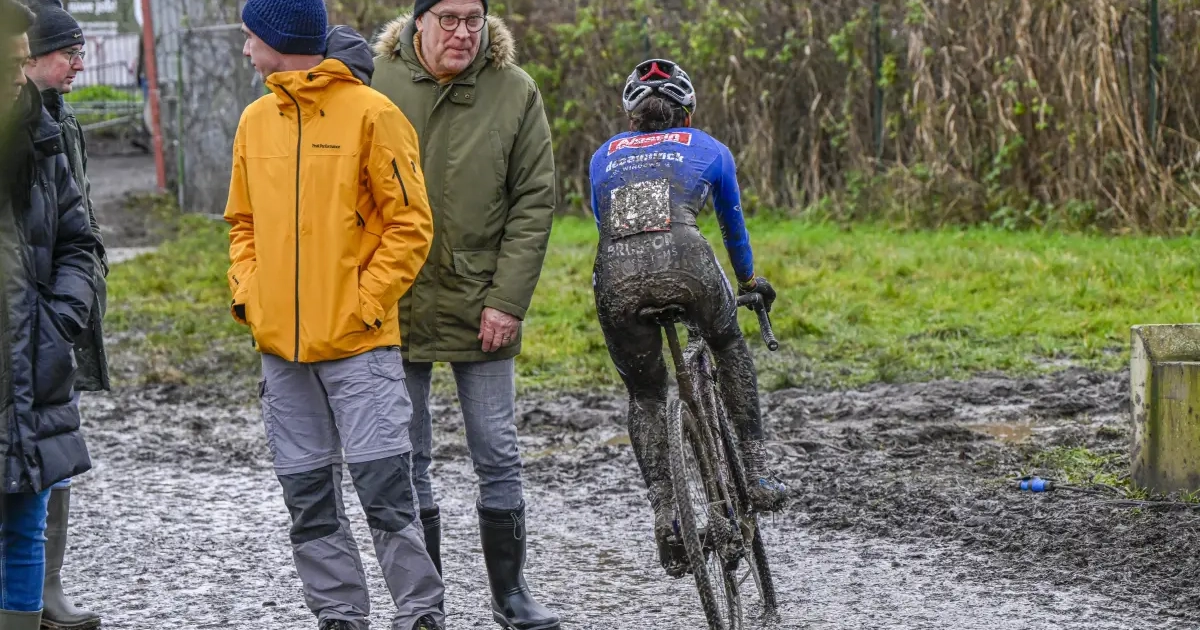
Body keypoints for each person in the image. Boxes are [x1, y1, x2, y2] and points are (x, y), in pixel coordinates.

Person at [223, 1, 443, 628]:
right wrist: (250, 294)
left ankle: (420, 613)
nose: (246, 49)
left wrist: (363, 304)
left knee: (386, 491)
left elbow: (410, 225)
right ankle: (339, 614)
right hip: (281, 351)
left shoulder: (374, 114)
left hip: (359, 346)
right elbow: (242, 224)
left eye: (250, 37)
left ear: (280, 37)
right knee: (308, 496)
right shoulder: (254, 120)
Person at [371, 2, 559, 628]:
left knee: (497, 451)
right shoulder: (375, 79)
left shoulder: (515, 90)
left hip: (483, 299)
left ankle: (512, 594)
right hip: (393, 297)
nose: (462, 33)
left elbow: (534, 201)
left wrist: (507, 301)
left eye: (473, 19)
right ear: (419, 20)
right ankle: (425, 601)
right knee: (407, 453)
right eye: (448, 18)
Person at [586, 58, 786, 577]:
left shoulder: (603, 154)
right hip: (689, 266)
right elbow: (733, 229)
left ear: (631, 117)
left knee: (647, 396)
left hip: (617, 276)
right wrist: (748, 283)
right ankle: (757, 475)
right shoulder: (709, 148)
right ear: (687, 113)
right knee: (728, 345)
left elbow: (606, 222)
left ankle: (667, 519)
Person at [0, 1, 98, 626]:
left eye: (21, 63)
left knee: (25, 522)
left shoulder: (41, 135)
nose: (19, 76)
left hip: (31, 357)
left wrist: (58, 320)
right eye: (10, 64)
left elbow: (77, 241)